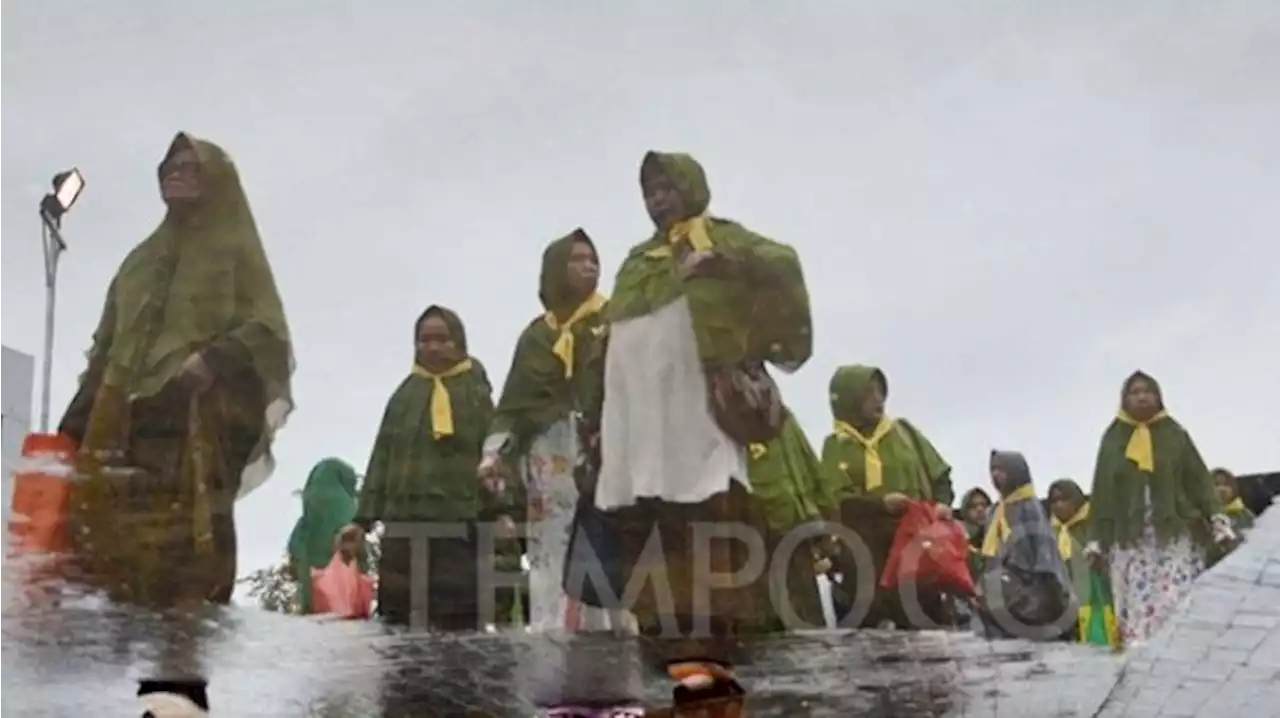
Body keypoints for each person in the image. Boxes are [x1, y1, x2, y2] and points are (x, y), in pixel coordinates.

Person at [593, 149, 812, 708]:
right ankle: (659, 634)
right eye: (649, 192)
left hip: (694, 405)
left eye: (667, 187)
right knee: (645, 513)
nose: (658, 199)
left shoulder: (723, 236)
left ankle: (710, 639)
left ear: (692, 186)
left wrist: (727, 266)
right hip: (637, 412)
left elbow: (782, 261)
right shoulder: (637, 259)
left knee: (707, 506)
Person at [60, 131, 294, 610]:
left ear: (214, 181)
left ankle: (186, 678)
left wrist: (214, 359)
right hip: (125, 425)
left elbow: (268, 327)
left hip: (196, 422)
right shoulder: (137, 262)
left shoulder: (234, 251)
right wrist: (71, 428)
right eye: (168, 167)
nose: (174, 174)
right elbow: (106, 349)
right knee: (111, 551)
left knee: (188, 555)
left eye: (188, 167)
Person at [478, 228, 630, 632]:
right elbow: (513, 406)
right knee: (551, 546)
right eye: (576, 259)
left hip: (608, 451)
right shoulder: (536, 337)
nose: (588, 266)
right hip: (549, 461)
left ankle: (614, 634)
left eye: (593, 259)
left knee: (611, 538)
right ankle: (552, 635)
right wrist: (493, 455)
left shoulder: (615, 319)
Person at [355, 305, 513, 631]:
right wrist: (362, 520)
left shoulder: (475, 395)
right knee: (398, 626)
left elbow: (496, 457)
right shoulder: (404, 396)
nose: (433, 346)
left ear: (459, 342)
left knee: (457, 626)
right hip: (402, 531)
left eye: (442, 338)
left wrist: (501, 510)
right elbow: (381, 458)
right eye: (424, 339)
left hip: (458, 529)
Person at [1084, 371, 1235, 647]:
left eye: (1148, 391)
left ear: (1159, 397)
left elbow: (1199, 480)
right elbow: (1102, 491)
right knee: (1135, 609)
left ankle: (1178, 657)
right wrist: (1096, 540)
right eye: (1135, 392)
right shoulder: (1113, 439)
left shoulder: (1175, 435)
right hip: (1129, 540)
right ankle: (1140, 665)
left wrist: (1217, 520)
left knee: (1175, 602)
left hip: (1173, 537)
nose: (1142, 396)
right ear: (1124, 399)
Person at [817, 364, 954, 629]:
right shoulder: (835, 446)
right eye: (868, 393)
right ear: (850, 399)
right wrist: (879, 505)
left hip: (915, 554)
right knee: (872, 647)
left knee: (926, 638)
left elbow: (940, 477)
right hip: (866, 563)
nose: (878, 399)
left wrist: (942, 505)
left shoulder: (904, 434)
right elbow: (834, 500)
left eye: (880, 391)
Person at [747, 410, 832, 631]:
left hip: (797, 541)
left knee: (810, 632)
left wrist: (824, 537)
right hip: (753, 545)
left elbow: (812, 471)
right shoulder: (721, 413)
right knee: (764, 637)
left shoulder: (781, 416)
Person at [977, 451, 1074, 641]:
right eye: (993, 470)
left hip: (1032, 596)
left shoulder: (1028, 507)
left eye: (1001, 470)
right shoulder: (997, 512)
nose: (996, 475)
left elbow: (1038, 555)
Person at [287, 458, 366, 614]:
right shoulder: (351, 510)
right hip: (347, 601)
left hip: (313, 598)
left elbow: (294, 547)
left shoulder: (310, 508)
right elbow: (362, 553)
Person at [1207, 467, 1255, 566]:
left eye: (1226, 485)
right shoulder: (1203, 515)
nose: (1222, 489)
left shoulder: (1246, 515)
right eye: (1216, 485)